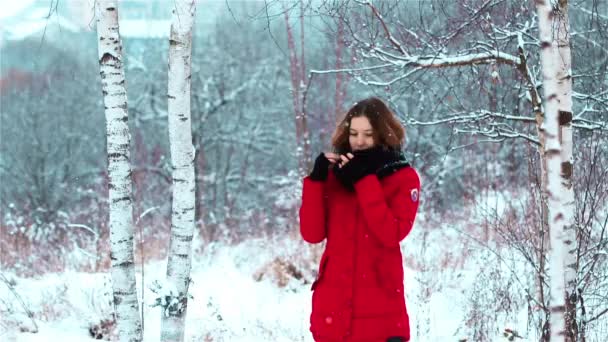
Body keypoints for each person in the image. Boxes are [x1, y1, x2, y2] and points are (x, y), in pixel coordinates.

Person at [299, 97, 421, 342]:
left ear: (383, 134)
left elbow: (391, 233)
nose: (360, 141)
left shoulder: (403, 178)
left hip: (380, 309)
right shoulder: (337, 176)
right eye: (354, 133)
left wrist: (365, 182)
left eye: (368, 133)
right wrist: (316, 181)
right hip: (332, 308)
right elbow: (312, 234)